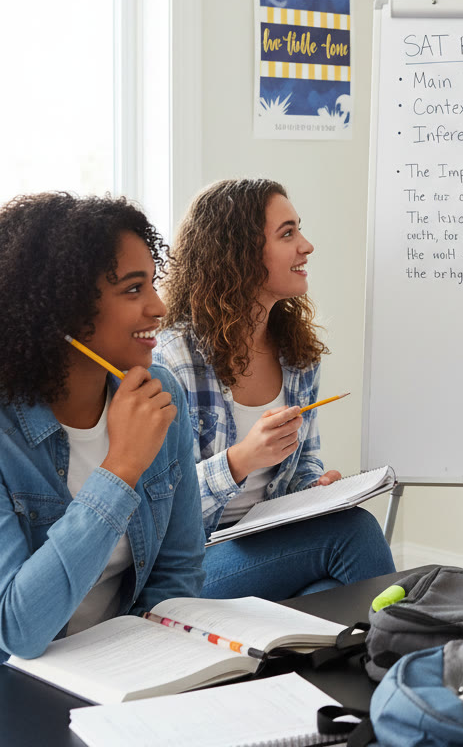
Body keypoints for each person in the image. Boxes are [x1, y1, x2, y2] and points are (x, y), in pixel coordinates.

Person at [155, 178, 395, 598]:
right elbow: (160, 511)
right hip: (187, 563)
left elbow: (304, 462)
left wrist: (317, 489)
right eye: (288, 233)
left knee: (326, 589)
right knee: (354, 532)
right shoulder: (173, 361)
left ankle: (393, 654)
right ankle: (407, 656)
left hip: (265, 543)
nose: (306, 245)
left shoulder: (296, 354)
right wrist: (240, 460)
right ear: (240, 254)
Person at [0, 193, 204, 660]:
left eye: (153, 284)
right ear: (63, 312)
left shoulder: (161, 392)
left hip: (120, 666)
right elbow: (16, 628)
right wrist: (120, 469)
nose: (158, 307)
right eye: (134, 289)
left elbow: (178, 571)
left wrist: (149, 668)